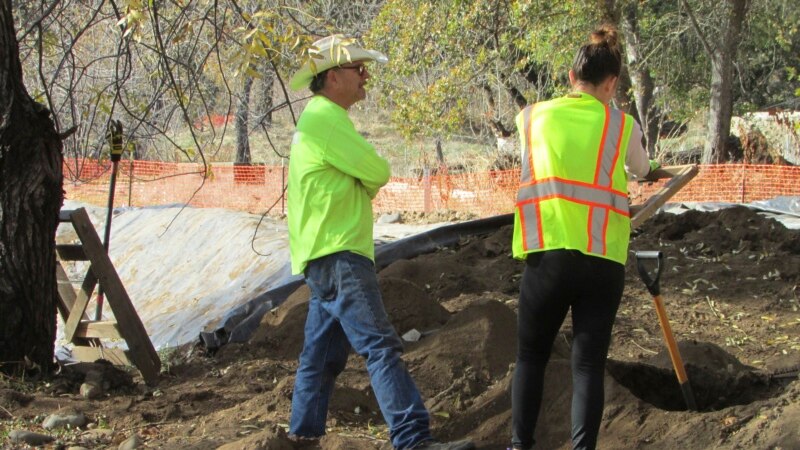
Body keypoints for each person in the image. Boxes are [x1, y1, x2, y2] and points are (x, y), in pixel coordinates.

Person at [286, 34, 475, 450]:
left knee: (320, 359)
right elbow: (378, 170)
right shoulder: (326, 119)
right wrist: (361, 181)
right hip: (341, 253)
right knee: (380, 347)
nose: (365, 75)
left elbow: (365, 174)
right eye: (357, 68)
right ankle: (412, 439)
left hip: (320, 256)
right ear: (334, 77)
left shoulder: (315, 118)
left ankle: (301, 437)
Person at [509, 25, 658, 450]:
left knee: (531, 358)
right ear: (611, 84)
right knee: (588, 365)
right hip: (602, 260)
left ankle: (520, 445)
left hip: (547, 255)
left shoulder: (532, 117)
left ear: (571, 77)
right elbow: (642, 169)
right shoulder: (620, 125)